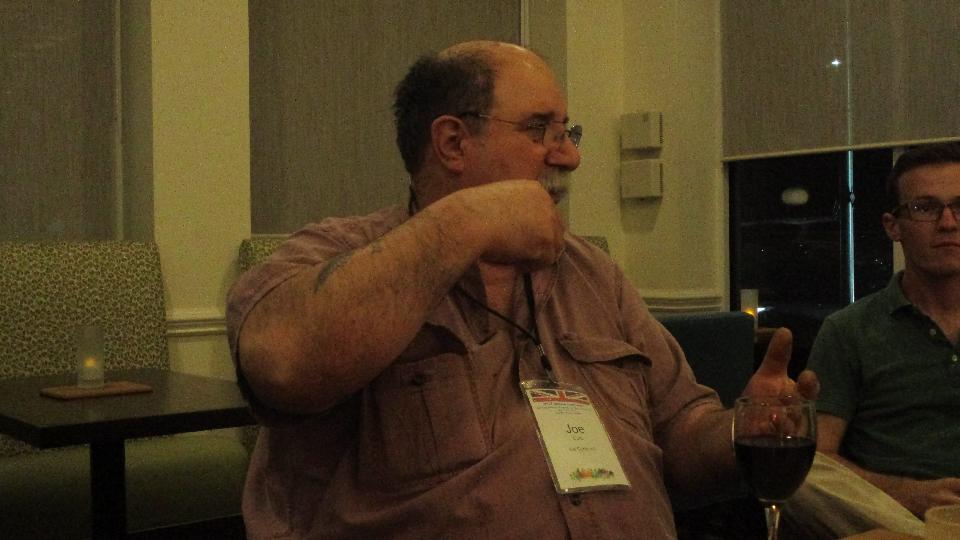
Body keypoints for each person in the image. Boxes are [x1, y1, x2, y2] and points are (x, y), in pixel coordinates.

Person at [227, 40, 817, 539]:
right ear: (453, 143)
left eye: (568, 131)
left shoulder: (592, 273)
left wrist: (743, 429)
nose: (571, 156)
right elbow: (281, 363)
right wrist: (468, 222)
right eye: (540, 129)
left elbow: (681, 431)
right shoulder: (333, 254)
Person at [785, 142, 960, 538]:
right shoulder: (849, 330)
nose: (948, 223)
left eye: (959, 207)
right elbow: (819, 457)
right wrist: (906, 493)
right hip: (892, 513)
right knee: (799, 470)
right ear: (892, 226)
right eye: (925, 208)